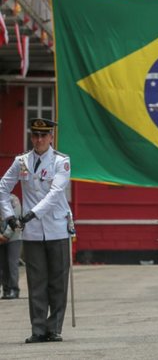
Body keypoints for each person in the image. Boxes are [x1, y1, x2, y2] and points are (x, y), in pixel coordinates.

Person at [0, 118, 72, 343]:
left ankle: (54, 328)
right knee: (36, 280)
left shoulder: (61, 161)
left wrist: (32, 213)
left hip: (57, 227)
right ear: (31, 137)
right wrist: (9, 216)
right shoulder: (22, 161)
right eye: (35, 135)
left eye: (44, 135)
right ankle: (38, 329)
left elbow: (55, 193)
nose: (39, 140)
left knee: (57, 281)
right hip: (31, 233)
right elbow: (2, 188)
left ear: (51, 137)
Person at [0, 193, 22, 299]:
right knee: (3, 265)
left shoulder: (13, 199)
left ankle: (14, 289)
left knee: (12, 264)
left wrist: (6, 235)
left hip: (14, 236)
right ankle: (6, 290)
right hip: (0, 238)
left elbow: (16, 218)